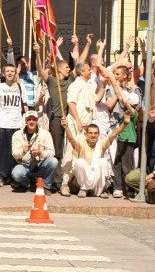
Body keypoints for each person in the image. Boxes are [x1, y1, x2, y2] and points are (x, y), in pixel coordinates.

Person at [0, 62, 31, 187]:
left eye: (12, 71)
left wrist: (28, 117)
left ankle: (11, 176)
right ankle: (0, 176)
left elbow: (24, 104)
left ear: (15, 73)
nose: (9, 73)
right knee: (0, 152)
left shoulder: (20, 87)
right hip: (2, 123)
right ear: (3, 73)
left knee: (13, 152)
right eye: (7, 71)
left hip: (16, 124)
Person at [61, 62, 99, 195]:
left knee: (82, 155)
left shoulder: (88, 86)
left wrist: (104, 85)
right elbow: (71, 103)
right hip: (75, 124)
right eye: (88, 70)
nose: (91, 72)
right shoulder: (75, 84)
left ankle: (79, 183)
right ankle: (64, 183)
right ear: (81, 72)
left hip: (86, 127)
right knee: (70, 153)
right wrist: (77, 121)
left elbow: (96, 99)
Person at [66, 114, 126, 197]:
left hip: (97, 181)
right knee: (79, 162)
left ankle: (102, 190)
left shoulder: (101, 144)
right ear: (86, 134)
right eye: (90, 133)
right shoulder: (81, 143)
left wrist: (125, 123)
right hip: (83, 181)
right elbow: (71, 140)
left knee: (103, 161)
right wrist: (66, 127)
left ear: (98, 134)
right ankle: (84, 189)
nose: (93, 135)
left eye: (95, 133)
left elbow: (113, 135)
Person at [9, 111, 57, 192]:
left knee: (53, 162)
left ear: (37, 121)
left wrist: (41, 153)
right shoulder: (17, 134)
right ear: (25, 121)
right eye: (29, 119)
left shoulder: (46, 134)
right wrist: (22, 151)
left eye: (34, 119)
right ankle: (28, 183)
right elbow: (14, 154)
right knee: (16, 174)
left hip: (40, 163)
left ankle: (46, 186)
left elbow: (52, 152)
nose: (31, 121)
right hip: (25, 164)